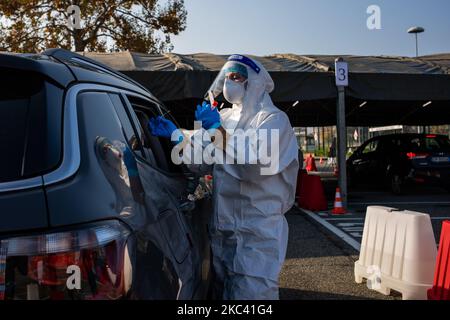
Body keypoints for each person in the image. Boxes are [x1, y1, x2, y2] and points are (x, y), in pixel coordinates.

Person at [149, 55, 299, 300]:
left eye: (236, 76)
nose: (230, 82)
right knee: (223, 293)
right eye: (227, 77)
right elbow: (200, 161)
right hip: (223, 232)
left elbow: (253, 166)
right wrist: (177, 134)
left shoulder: (273, 120)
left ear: (255, 82)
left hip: (257, 233)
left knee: (252, 295)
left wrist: (214, 130)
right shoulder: (226, 118)